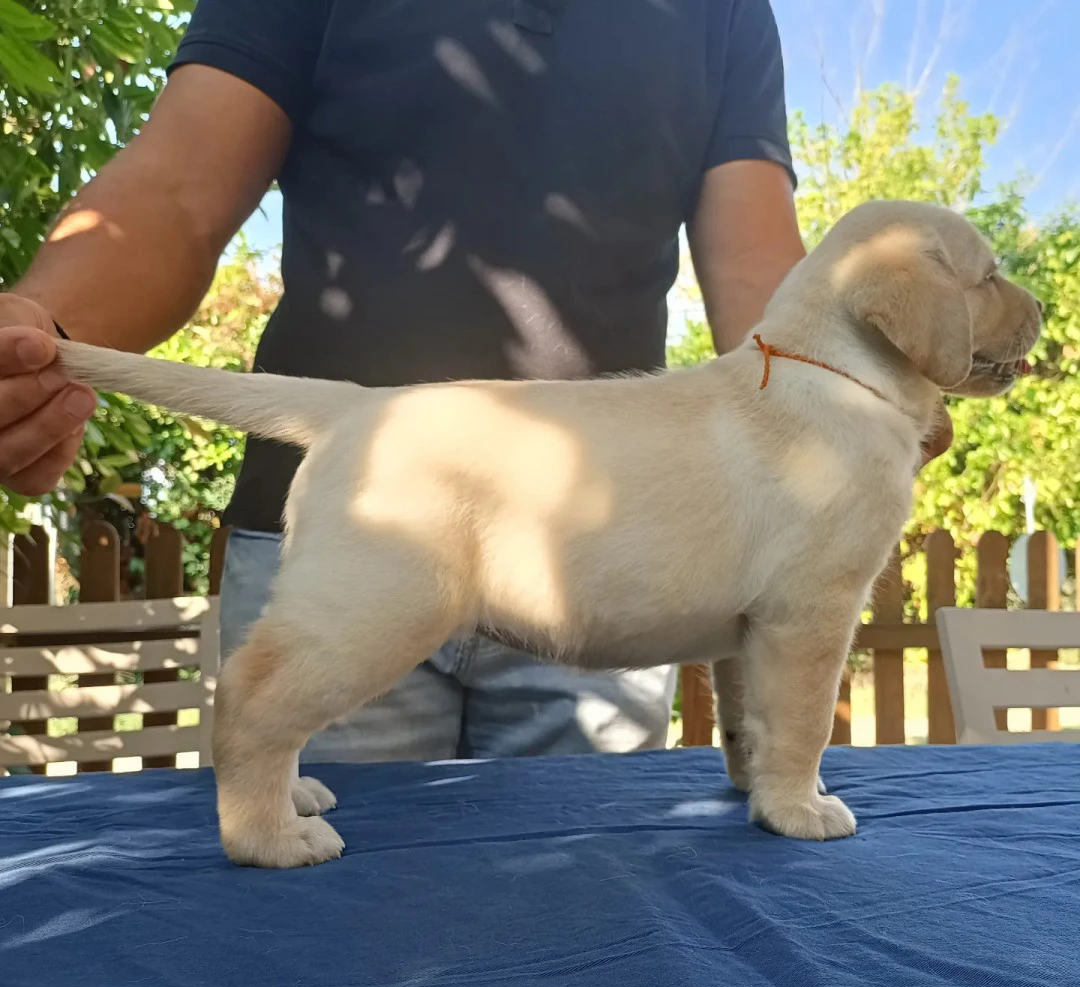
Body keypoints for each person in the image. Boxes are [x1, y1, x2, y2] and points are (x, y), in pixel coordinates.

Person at [0, 1, 939, 764]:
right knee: (308, 929)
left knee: (585, 925)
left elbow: (756, 273)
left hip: (620, 553)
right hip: (353, 526)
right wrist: (40, 333)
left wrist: (862, 399)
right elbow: (176, 192)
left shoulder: (721, 11)